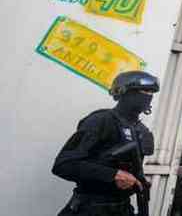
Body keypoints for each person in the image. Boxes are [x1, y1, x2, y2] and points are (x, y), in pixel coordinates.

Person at [52, 70, 159, 216]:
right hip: (90, 208)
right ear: (124, 92)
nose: (148, 96)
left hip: (122, 208)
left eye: (151, 92)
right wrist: (113, 174)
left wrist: (137, 182)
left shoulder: (142, 131)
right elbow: (63, 165)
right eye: (143, 91)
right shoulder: (101, 121)